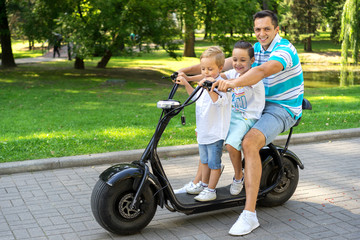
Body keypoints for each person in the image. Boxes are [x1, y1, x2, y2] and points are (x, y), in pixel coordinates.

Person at [178, 10, 304, 236]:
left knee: (249, 143)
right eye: (258, 29)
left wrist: (233, 83)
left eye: (267, 29)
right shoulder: (255, 49)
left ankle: (249, 215)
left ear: (277, 29)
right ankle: (200, 182)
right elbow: (221, 64)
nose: (261, 33)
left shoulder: (284, 50)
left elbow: (261, 71)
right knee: (210, 130)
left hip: (282, 107)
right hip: (254, 104)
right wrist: (183, 72)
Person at [175, 46, 231, 202]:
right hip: (204, 131)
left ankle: (211, 190)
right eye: (203, 69)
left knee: (214, 163)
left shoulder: (221, 84)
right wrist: (186, 83)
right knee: (204, 161)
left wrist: (209, 88)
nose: (206, 72)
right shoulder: (203, 82)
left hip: (215, 133)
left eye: (210, 69)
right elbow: (194, 99)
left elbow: (220, 103)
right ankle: (203, 184)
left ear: (220, 68)